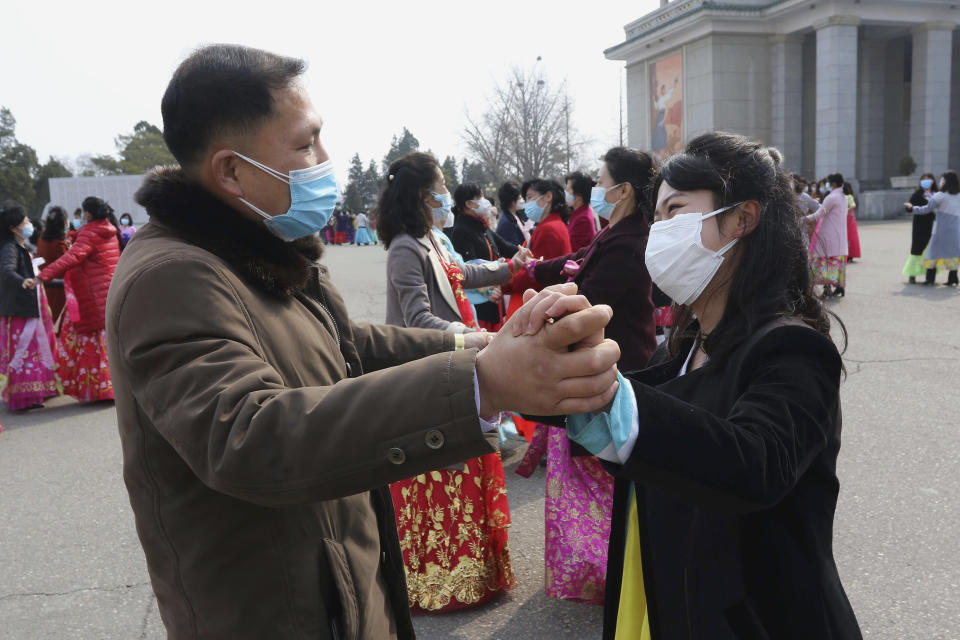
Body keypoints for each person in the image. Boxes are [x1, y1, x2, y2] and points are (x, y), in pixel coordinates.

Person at [106, 44, 621, 639]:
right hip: (276, 612)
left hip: (341, 582)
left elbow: (345, 343)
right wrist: (481, 384)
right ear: (230, 170)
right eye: (304, 145)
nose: (325, 160)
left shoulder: (257, 251)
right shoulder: (172, 276)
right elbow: (247, 433)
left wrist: (482, 346)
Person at [516, 131, 862, 640]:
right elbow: (628, 405)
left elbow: (753, 462)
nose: (658, 234)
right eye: (655, 218)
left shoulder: (792, 350)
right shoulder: (685, 344)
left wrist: (611, 398)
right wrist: (518, 368)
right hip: (667, 597)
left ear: (742, 219)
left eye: (675, 212)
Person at [379, 152, 528, 611]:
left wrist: (512, 265)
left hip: (458, 366)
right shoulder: (405, 246)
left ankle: (476, 575)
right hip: (430, 371)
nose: (447, 193)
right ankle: (439, 583)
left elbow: (462, 273)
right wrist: (476, 336)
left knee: (470, 462)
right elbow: (417, 319)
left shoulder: (433, 238)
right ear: (425, 196)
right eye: (442, 186)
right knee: (442, 475)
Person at [515, 147, 659, 606]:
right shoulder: (615, 232)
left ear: (623, 191)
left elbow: (588, 292)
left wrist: (542, 296)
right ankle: (597, 566)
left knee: (605, 477)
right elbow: (577, 259)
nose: (595, 190)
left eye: (601, 181)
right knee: (587, 477)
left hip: (615, 370)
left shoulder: (632, 239)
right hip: (594, 368)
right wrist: (534, 270)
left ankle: (608, 568)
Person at [37, 196, 120, 403]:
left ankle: (100, 391)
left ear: (88, 214)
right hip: (107, 294)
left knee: (92, 345)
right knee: (105, 343)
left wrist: (43, 275)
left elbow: (72, 257)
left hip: (91, 297)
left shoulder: (90, 233)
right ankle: (113, 388)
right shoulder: (109, 230)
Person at [0, 204, 59, 411]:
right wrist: (21, 281)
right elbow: (6, 270)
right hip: (21, 308)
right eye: (25, 221)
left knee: (34, 349)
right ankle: (23, 397)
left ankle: (36, 392)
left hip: (29, 304)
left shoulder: (20, 245)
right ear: (14, 228)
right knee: (24, 351)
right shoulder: (9, 247)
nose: (29, 224)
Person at [448, 183, 522, 331]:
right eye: (480, 197)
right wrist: (488, 289)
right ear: (468, 204)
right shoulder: (461, 231)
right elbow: (470, 269)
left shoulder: (481, 226)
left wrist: (523, 252)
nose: (485, 201)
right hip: (481, 304)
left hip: (495, 298)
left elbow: (505, 247)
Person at [501, 179, 572, 318]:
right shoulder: (551, 225)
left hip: (540, 302)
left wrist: (505, 280)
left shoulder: (549, 229)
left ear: (548, 197)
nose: (527, 203)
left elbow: (536, 274)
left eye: (530, 197)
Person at [904, 170, 960, 286]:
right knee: (953, 253)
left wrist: (911, 208)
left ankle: (930, 279)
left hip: (940, 230)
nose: (941, 181)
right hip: (955, 230)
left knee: (932, 253)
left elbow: (926, 209)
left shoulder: (939, 196)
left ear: (946, 181)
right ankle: (953, 278)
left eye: (943, 179)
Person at [805, 173, 848, 297]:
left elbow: (818, 215)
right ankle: (840, 286)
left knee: (826, 261)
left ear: (833, 183)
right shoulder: (843, 197)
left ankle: (827, 288)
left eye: (829, 182)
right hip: (840, 234)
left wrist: (802, 219)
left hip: (829, 234)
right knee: (836, 261)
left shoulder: (831, 197)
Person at [37, 206, 71, 324]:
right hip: (60, 289)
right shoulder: (59, 244)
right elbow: (67, 265)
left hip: (45, 286)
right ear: (64, 223)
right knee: (58, 322)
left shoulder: (42, 239)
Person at [903, 172, 939, 283]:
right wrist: (909, 206)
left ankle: (930, 278)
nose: (926, 181)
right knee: (916, 250)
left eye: (929, 178)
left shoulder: (937, 194)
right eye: (924, 179)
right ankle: (912, 275)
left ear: (933, 181)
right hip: (919, 225)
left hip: (932, 225)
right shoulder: (917, 194)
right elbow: (910, 205)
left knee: (931, 250)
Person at [565, 171, 598, 251]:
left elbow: (572, 251)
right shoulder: (579, 214)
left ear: (579, 195)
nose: (565, 193)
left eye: (568, 190)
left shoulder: (583, 219)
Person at [496, 181, 528, 246]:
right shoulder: (506, 223)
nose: (522, 199)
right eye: (520, 197)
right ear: (512, 202)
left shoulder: (516, 214)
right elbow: (515, 247)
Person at [843, 182, 861, 262]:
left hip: (849, 220)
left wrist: (846, 209)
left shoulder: (849, 196)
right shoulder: (841, 196)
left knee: (850, 237)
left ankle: (850, 255)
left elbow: (853, 205)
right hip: (846, 219)